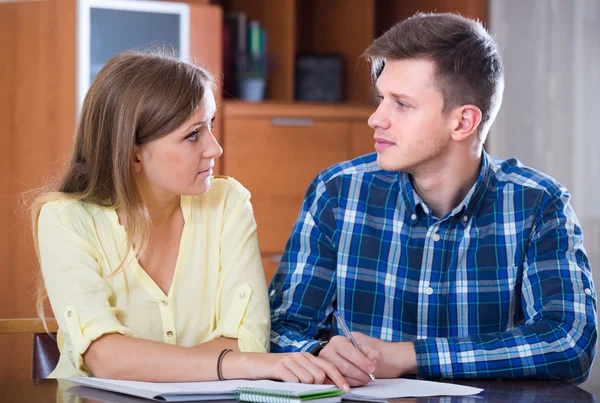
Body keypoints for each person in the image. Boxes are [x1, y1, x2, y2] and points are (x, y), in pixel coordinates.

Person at [269, 13, 597, 385]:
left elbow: (570, 342)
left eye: (401, 104)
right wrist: (316, 353)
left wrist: (410, 356)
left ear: (462, 122)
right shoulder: (337, 192)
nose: (376, 118)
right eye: (381, 99)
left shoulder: (539, 203)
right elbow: (279, 329)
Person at [32, 51, 348, 390]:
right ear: (132, 152)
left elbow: (249, 342)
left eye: (210, 125)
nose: (215, 148)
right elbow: (105, 359)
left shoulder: (228, 204)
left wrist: (144, 362)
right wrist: (236, 363)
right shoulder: (66, 219)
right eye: (193, 134)